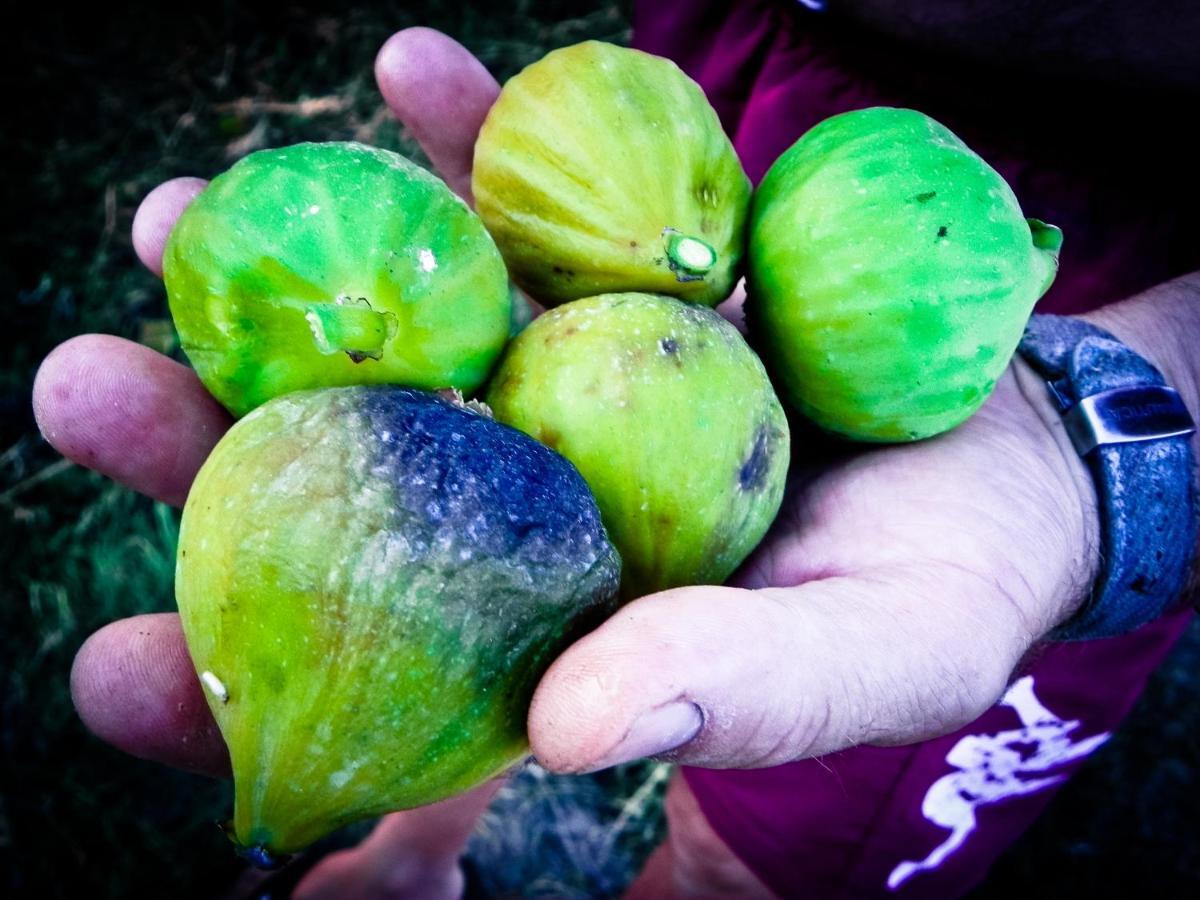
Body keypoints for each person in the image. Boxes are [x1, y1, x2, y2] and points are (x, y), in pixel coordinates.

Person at [30, 2, 1200, 896]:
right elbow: (469, 557)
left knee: (758, 854)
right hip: (785, 53)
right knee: (484, 573)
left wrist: (1087, 451)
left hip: (1133, 201)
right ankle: (412, 852)